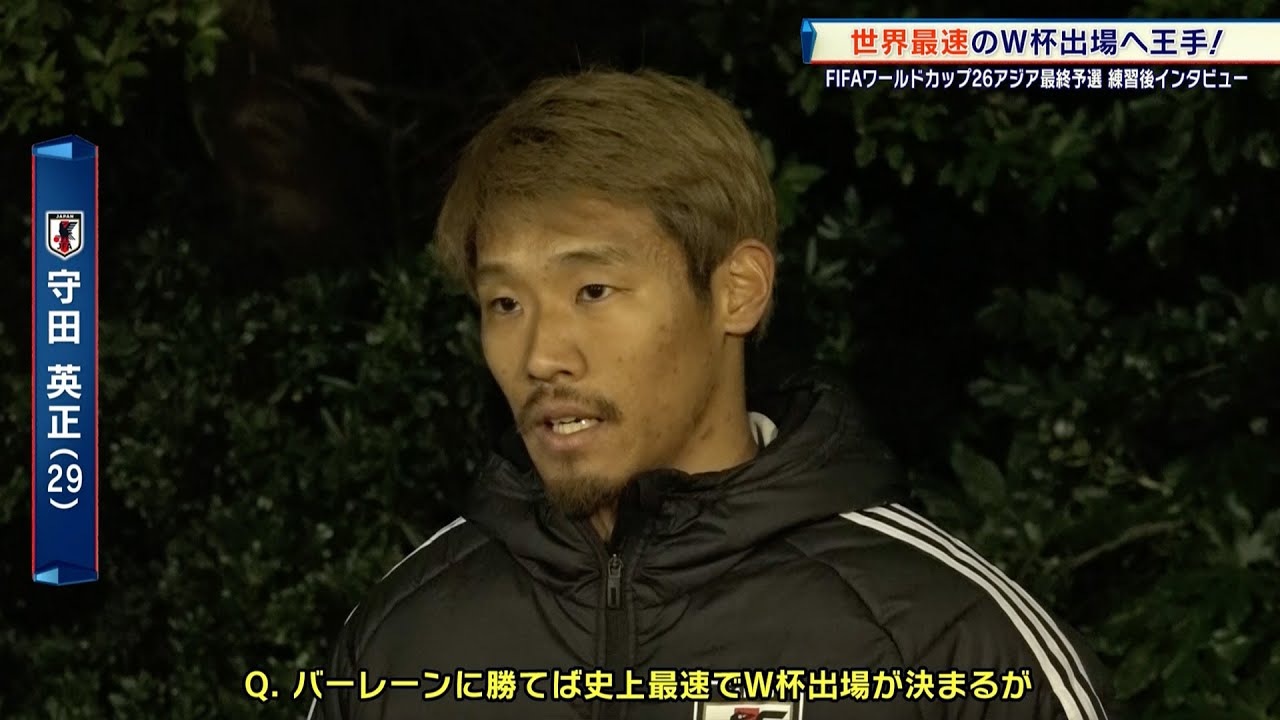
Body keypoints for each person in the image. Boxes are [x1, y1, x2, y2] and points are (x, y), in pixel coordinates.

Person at [309, 68, 1117, 720]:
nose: (541, 355)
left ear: (737, 291)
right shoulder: (396, 643)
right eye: (504, 303)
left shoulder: (941, 636)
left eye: (593, 290)